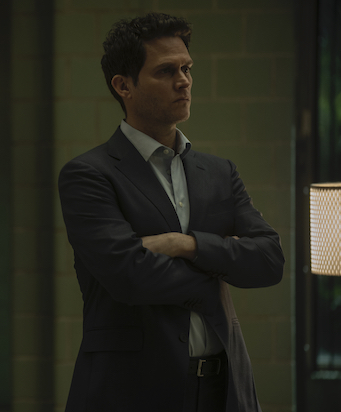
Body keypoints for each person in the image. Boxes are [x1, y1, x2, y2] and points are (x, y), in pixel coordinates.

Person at [58, 13, 285, 412]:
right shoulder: (89, 174)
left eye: (186, 68)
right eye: (166, 71)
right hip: (132, 391)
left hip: (223, 388)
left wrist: (186, 245)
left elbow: (269, 260)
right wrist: (220, 268)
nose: (183, 81)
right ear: (123, 86)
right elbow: (129, 276)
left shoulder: (219, 172)